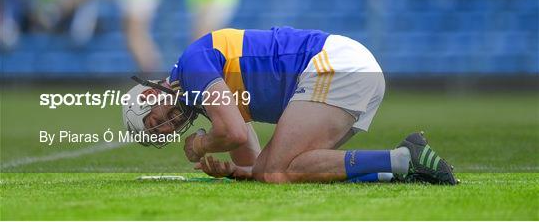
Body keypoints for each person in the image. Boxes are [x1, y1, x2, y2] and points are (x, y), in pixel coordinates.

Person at [123, 27, 457, 185]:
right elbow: (253, 161)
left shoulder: (193, 67)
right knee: (286, 169)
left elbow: (234, 132)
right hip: (346, 68)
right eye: (162, 134)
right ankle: (397, 169)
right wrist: (235, 173)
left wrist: (200, 144)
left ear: (150, 96)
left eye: (156, 122)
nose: (168, 128)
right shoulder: (202, 93)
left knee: (277, 170)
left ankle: (404, 158)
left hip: (334, 65)